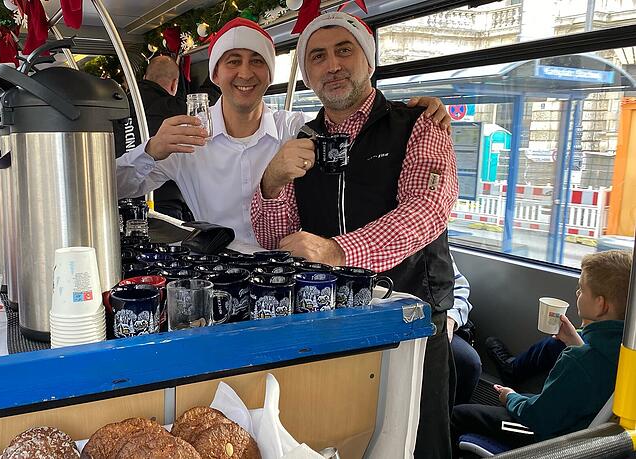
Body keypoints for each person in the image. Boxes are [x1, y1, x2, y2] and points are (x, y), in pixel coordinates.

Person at [250, 13, 458, 457]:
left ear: (369, 60)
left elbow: (427, 210)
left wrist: (337, 251)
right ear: (308, 76)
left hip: (409, 317)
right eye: (317, 57)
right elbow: (275, 238)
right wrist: (272, 180)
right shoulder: (303, 138)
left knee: (417, 442)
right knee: (338, 437)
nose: (332, 65)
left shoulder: (418, 123)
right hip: (330, 320)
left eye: (344, 50)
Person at [115, 17, 450, 245]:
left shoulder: (298, 129)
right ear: (215, 74)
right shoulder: (186, 138)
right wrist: (151, 151)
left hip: (288, 273)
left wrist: (412, 112)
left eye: (257, 61)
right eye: (233, 60)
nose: (245, 72)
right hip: (216, 271)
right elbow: (115, 187)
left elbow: (354, 121)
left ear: (269, 74)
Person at [451, 250, 632, 449]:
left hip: (552, 438)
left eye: (582, 289)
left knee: (458, 415)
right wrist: (575, 342)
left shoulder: (577, 360)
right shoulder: (624, 348)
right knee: (525, 399)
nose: (577, 293)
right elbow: (597, 371)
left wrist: (510, 397)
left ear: (601, 305)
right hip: (583, 427)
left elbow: (537, 417)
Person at [113, 55, 193, 221]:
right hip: (164, 206)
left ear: (145, 77)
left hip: (117, 207)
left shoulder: (117, 107)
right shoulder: (178, 111)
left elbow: (111, 180)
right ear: (174, 84)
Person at [449, 259, 482, 406]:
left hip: (438, 320)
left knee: (468, 362)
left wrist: (450, 319)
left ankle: (453, 415)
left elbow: (459, 287)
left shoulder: (435, 248)